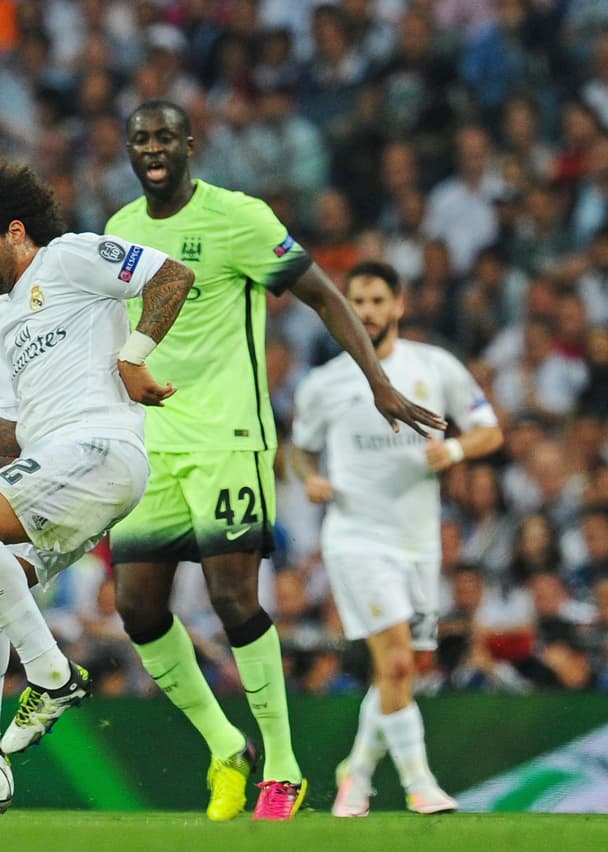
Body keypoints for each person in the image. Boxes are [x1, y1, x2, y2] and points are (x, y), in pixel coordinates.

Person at [104, 100, 447, 822]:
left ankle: (284, 770)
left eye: (166, 136)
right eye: (141, 139)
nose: (153, 148)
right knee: (135, 609)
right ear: (129, 151)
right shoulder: (120, 231)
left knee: (232, 600)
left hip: (230, 439)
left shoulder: (240, 218)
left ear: (191, 144)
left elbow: (323, 295)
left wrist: (377, 381)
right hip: (153, 445)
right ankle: (226, 744)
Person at [0, 159, 194, 797]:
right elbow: (16, 433)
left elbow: (172, 275)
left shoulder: (69, 258)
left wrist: (133, 356)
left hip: (102, 446)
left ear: (16, 230)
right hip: (63, 463)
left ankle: (53, 676)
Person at [291, 260, 503, 816]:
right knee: (398, 664)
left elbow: (490, 429)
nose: (367, 312)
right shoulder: (325, 382)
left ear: (399, 305)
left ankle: (355, 775)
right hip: (356, 538)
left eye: (378, 301)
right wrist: (310, 478)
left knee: (400, 670)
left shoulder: (435, 366)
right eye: (357, 301)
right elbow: (299, 449)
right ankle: (418, 783)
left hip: (419, 542)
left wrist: (454, 450)